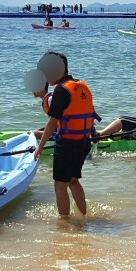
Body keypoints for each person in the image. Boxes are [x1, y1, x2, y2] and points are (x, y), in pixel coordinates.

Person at [35, 52, 100, 217]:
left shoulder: (61, 90)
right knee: (73, 181)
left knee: (59, 186)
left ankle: (64, 225)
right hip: (83, 142)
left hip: (68, 144)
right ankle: (83, 217)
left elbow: (52, 122)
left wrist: (40, 147)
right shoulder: (82, 86)